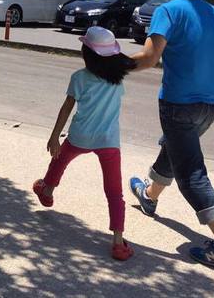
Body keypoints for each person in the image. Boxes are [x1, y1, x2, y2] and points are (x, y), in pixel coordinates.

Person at [129, 0, 214, 270]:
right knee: (177, 148)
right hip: (209, 105)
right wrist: (206, 74)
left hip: (178, 103)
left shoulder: (168, 11)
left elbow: (150, 58)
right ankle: (149, 196)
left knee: (191, 172)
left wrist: (110, 64)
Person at [33, 26, 137, 261]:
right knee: (114, 192)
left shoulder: (79, 78)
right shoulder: (117, 81)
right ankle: (118, 242)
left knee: (59, 160)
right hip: (109, 141)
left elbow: (66, 108)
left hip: (79, 136)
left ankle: (47, 190)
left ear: (86, 54)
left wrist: (54, 136)